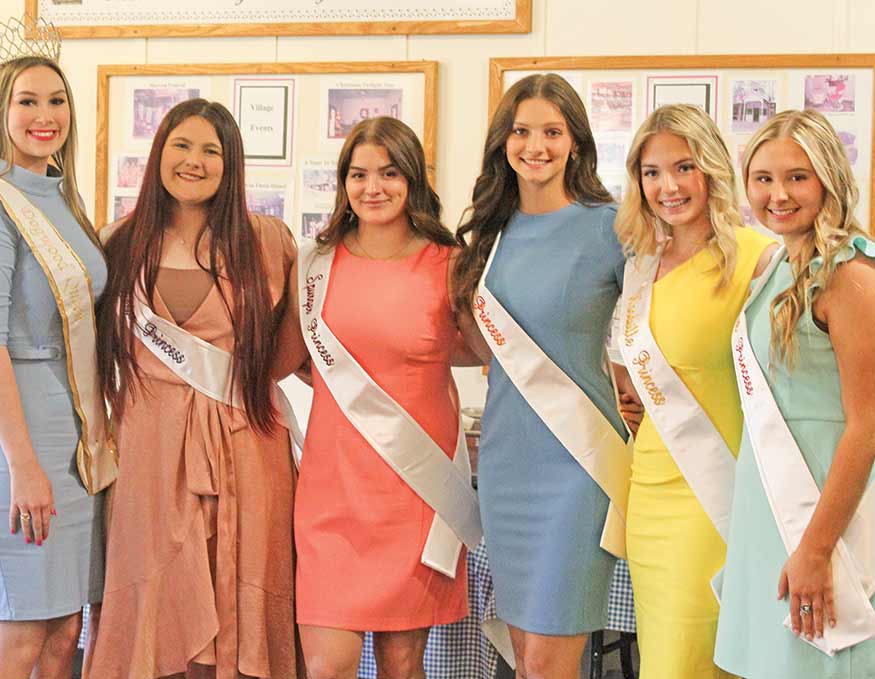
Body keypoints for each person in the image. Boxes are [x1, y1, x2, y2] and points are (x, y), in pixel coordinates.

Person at [86, 98, 304, 678]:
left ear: (231, 165)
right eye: (182, 145)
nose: (194, 161)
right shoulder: (118, 243)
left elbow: (292, 350)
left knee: (242, 596)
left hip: (246, 445)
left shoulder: (268, 241)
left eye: (212, 150)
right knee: (155, 596)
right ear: (159, 152)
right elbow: (77, 337)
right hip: (148, 454)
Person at [451, 73, 641, 679]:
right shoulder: (489, 235)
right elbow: (482, 345)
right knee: (528, 660)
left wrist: (639, 396)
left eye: (552, 132)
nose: (536, 145)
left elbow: (649, 332)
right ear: (503, 143)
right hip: (508, 464)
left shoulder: (612, 228)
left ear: (576, 143)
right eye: (522, 131)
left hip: (578, 467)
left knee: (553, 659)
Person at [715, 109, 875, 679]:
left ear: (829, 177)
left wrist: (817, 548)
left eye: (797, 177)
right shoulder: (779, 264)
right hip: (770, 511)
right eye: (763, 178)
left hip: (827, 519)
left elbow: (868, 424)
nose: (777, 194)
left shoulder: (852, 272)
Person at [291, 116, 483, 679]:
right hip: (332, 491)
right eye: (358, 174)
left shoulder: (449, 264)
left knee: (403, 666)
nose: (372, 187)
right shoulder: (314, 263)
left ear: (413, 180)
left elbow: (487, 352)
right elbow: (287, 358)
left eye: (389, 173)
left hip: (415, 489)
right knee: (328, 667)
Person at [0, 24, 115, 679]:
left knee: (65, 629)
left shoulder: (64, 202)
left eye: (57, 100)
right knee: (20, 634)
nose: (45, 115)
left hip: (75, 439)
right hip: (19, 441)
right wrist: (24, 466)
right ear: (1, 109)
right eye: (28, 101)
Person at [611, 103, 776, 679]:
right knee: (664, 657)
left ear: (711, 168)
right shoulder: (641, 265)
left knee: (696, 661)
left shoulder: (759, 259)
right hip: (649, 489)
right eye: (652, 172)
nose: (668, 186)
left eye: (683, 167)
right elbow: (628, 371)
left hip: (718, 491)